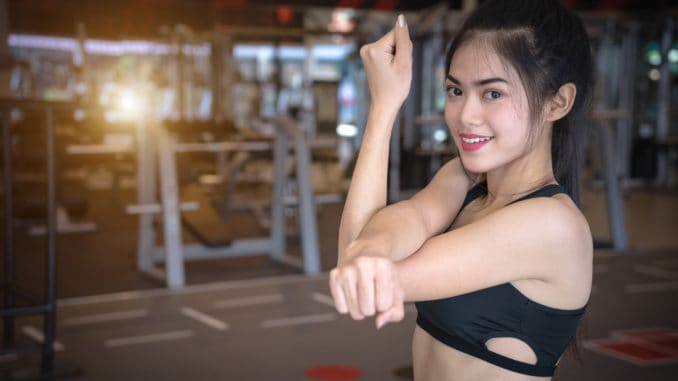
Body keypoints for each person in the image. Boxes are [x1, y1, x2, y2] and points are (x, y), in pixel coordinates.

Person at [329, 0, 594, 379]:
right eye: (456, 91)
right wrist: (371, 248)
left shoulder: (551, 225)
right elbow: (402, 222)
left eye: (493, 94)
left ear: (557, 102)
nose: (465, 115)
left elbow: (363, 279)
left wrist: (366, 254)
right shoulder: (464, 180)